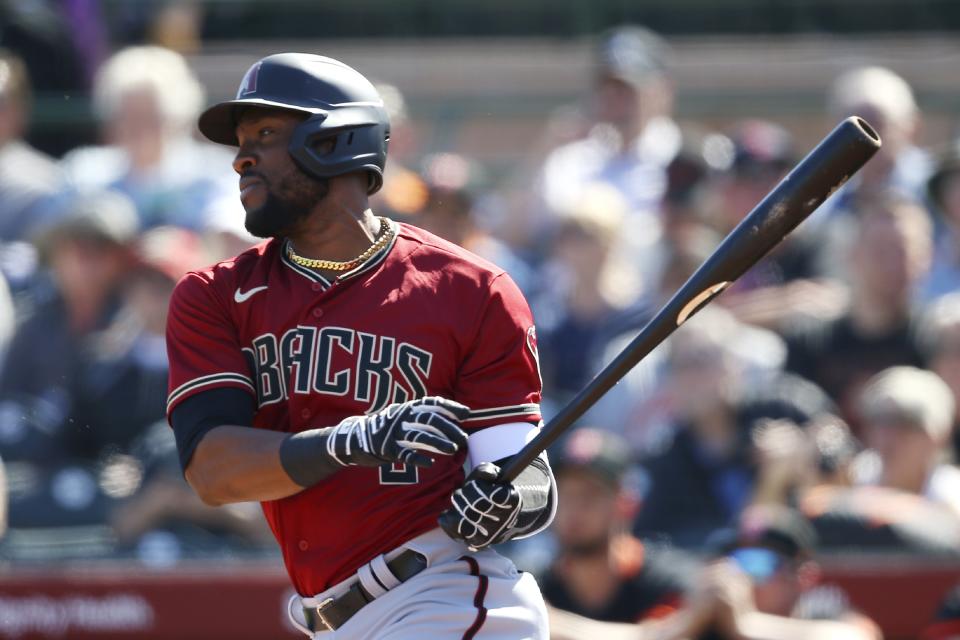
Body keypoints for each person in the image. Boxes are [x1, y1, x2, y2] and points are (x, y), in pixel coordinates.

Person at [166, 54, 556, 639]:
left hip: (446, 596)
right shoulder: (215, 296)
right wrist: (350, 441)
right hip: (332, 618)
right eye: (240, 142)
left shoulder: (472, 291)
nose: (242, 157)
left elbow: (529, 475)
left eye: (265, 135)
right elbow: (213, 472)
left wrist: (504, 502)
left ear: (337, 142)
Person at [60, 45, 238, 231]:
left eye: (151, 117)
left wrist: (188, 251)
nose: (139, 129)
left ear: (178, 117)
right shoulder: (84, 175)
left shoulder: (214, 175)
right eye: (128, 116)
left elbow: (232, 242)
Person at [540, 428, 696, 624]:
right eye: (564, 493)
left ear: (626, 502)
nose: (574, 508)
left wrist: (553, 624)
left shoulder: (666, 581)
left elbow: (665, 634)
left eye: (590, 493)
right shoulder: (533, 584)